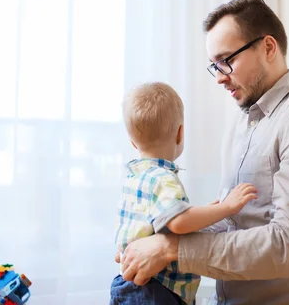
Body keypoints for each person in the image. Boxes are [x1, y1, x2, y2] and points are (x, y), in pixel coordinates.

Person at [119, 0, 289, 305]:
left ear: (268, 47)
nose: (219, 76)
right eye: (214, 65)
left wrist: (171, 250)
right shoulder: (240, 124)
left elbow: (287, 246)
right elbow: (233, 223)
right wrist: (150, 242)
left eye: (226, 59)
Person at [110, 82, 258, 305]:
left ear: (132, 142)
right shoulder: (163, 178)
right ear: (180, 134)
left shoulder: (135, 177)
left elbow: (161, 223)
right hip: (156, 289)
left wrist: (205, 211)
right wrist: (226, 208)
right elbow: (179, 223)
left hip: (128, 283)